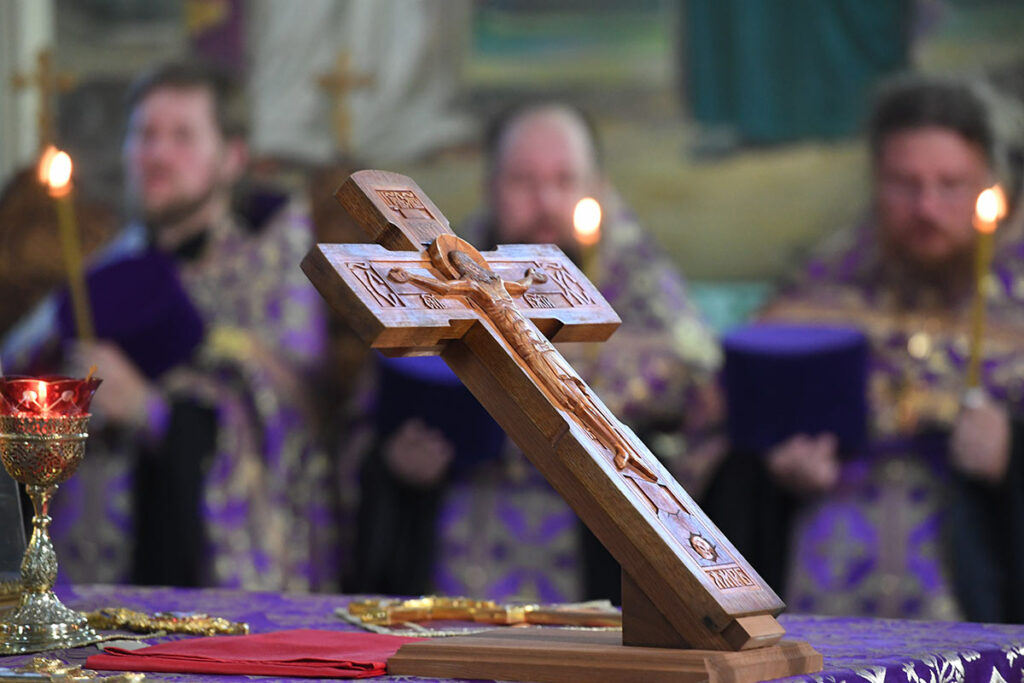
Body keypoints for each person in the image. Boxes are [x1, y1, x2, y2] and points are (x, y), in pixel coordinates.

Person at [348, 102, 722, 603]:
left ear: (597, 189)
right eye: (522, 180)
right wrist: (398, 459)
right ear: (490, 187)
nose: (544, 200)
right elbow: (367, 416)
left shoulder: (635, 278)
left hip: (594, 543)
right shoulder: (448, 265)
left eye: (564, 180)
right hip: (461, 534)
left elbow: (698, 378)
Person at [2, 61, 336, 591]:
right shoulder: (111, 264)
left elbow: (294, 417)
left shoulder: (275, 266)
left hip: (214, 576)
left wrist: (151, 411)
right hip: (87, 566)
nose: (156, 155)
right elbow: (18, 362)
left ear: (232, 157)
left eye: (182, 136)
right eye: (145, 135)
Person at [701, 76, 1024, 622]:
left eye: (950, 184)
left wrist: (1013, 455)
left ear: (990, 186)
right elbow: (715, 449)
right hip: (818, 613)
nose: (926, 207)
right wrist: (775, 473)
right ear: (876, 182)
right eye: (905, 183)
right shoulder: (812, 301)